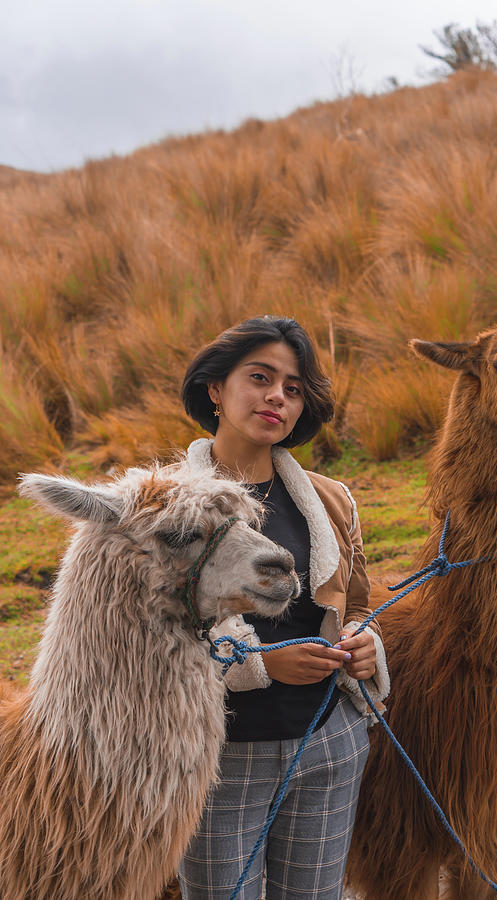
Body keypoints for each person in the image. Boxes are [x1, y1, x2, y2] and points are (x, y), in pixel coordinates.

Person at [178, 316, 389, 900]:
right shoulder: (165, 505)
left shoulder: (331, 499)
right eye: (261, 377)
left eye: (293, 389)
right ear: (215, 389)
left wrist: (367, 646)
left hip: (328, 745)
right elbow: (143, 642)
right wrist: (264, 665)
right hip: (219, 758)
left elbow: (359, 605)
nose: (278, 396)